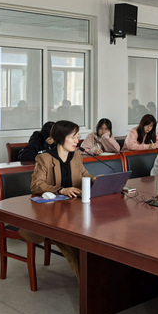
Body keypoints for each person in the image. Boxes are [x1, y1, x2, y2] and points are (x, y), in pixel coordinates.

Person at [29, 120, 94, 280]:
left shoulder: (76, 157)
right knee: (74, 244)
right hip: (51, 216)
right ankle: (87, 285)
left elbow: (85, 175)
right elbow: (36, 185)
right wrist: (61, 190)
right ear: (61, 137)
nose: (77, 141)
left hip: (75, 212)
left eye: (78, 137)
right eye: (73, 137)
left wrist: (95, 180)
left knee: (95, 237)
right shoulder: (44, 158)